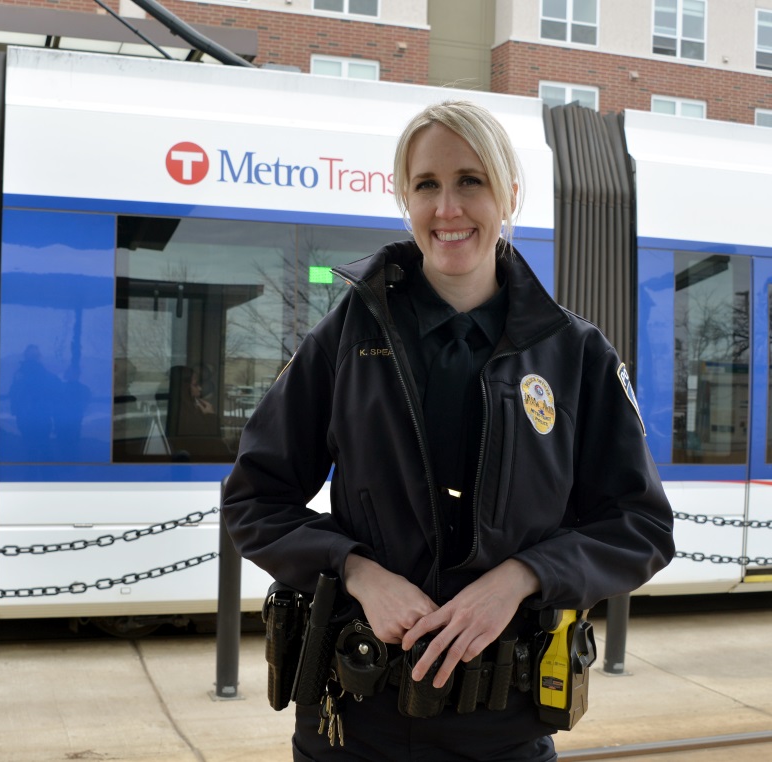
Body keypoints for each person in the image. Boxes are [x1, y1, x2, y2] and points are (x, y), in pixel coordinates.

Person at [222, 100, 675, 761]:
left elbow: (640, 526)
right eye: (426, 185)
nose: (448, 208)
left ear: (509, 193)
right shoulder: (347, 337)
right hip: (352, 721)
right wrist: (356, 571)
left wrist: (522, 576)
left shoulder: (575, 355)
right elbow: (254, 499)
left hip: (504, 729)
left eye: (471, 181)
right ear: (404, 197)